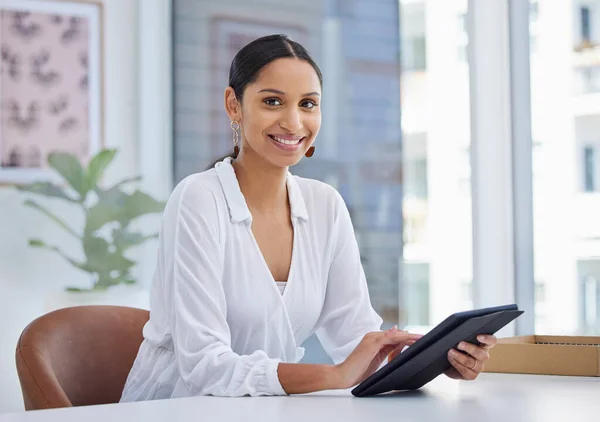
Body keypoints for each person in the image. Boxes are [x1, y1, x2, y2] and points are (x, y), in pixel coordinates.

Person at [120, 34, 496, 401]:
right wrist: (333, 376)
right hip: (178, 406)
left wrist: (431, 360)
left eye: (307, 104)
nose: (294, 122)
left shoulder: (324, 205)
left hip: (267, 408)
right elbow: (205, 367)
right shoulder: (198, 199)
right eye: (272, 101)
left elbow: (357, 339)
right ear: (233, 105)